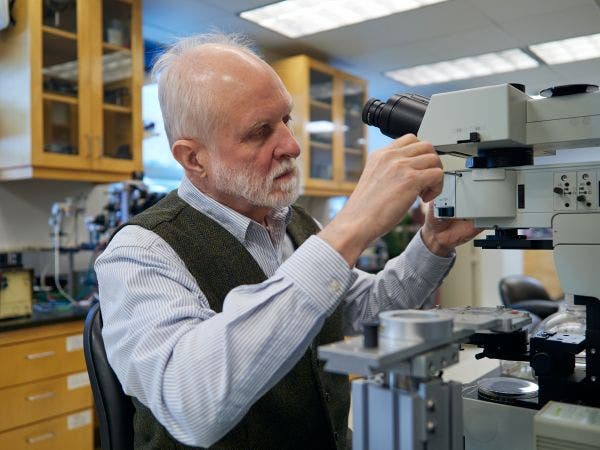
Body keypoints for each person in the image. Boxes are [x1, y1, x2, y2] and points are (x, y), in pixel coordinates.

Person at [95, 33, 479, 450]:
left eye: (286, 120)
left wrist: (433, 243)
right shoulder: (140, 252)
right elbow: (191, 402)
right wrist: (348, 228)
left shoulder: (292, 222)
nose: (291, 145)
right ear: (194, 158)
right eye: (260, 132)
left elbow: (366, 310)